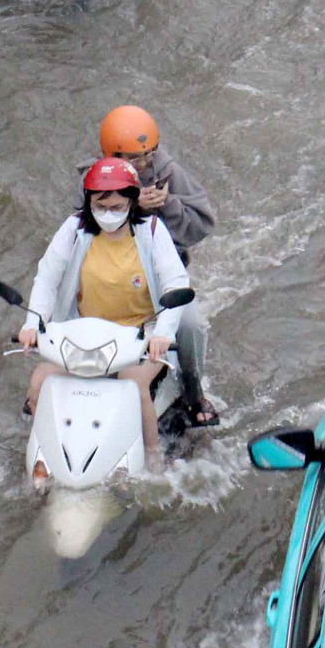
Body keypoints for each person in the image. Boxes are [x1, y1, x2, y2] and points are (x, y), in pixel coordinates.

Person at [20, 157, 189, 469]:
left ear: (132, 201)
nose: (108, 214)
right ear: (88, 203)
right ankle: (41, 454)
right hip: (84, 335)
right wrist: (33, 323)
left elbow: (175, 281)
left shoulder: (152, 231)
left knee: (132, 384)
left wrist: (163, 334)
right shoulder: (73, 230)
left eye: (116, 206)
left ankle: (153, 459)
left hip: (140, 334)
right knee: (38, 381)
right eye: (101, 205)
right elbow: (47, 277)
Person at [94, 105, 219, 427]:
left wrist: (168, 204)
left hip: (162, 272)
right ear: (111, 155)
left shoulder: (168, 173)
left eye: (148, 154)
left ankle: (193, 393)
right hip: (108, 270)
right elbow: (81, 226)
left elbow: (202, 225)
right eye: (133, 158)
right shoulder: (93, 178)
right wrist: (131, 206)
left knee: (190, 326)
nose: (144, 164)